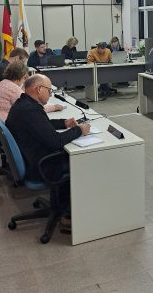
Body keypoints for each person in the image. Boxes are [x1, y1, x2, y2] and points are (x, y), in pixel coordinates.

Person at [6, 74, 90, 229]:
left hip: (28, 158)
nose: (51, 94)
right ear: (39, 89)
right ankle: (66, 215)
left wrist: (64, 123)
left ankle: (62, 205)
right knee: (79, 160)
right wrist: (79, 130)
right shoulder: (31, 110)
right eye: (49, 90)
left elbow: (41, 125)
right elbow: (55, 141)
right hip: (40, 166)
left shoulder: (23, 104)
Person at [0, 63, 63, 140]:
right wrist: (54, 107)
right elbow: (32, 109)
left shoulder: (3, 83)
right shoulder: (13, 89)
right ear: (23, 76)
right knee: (36, 134)